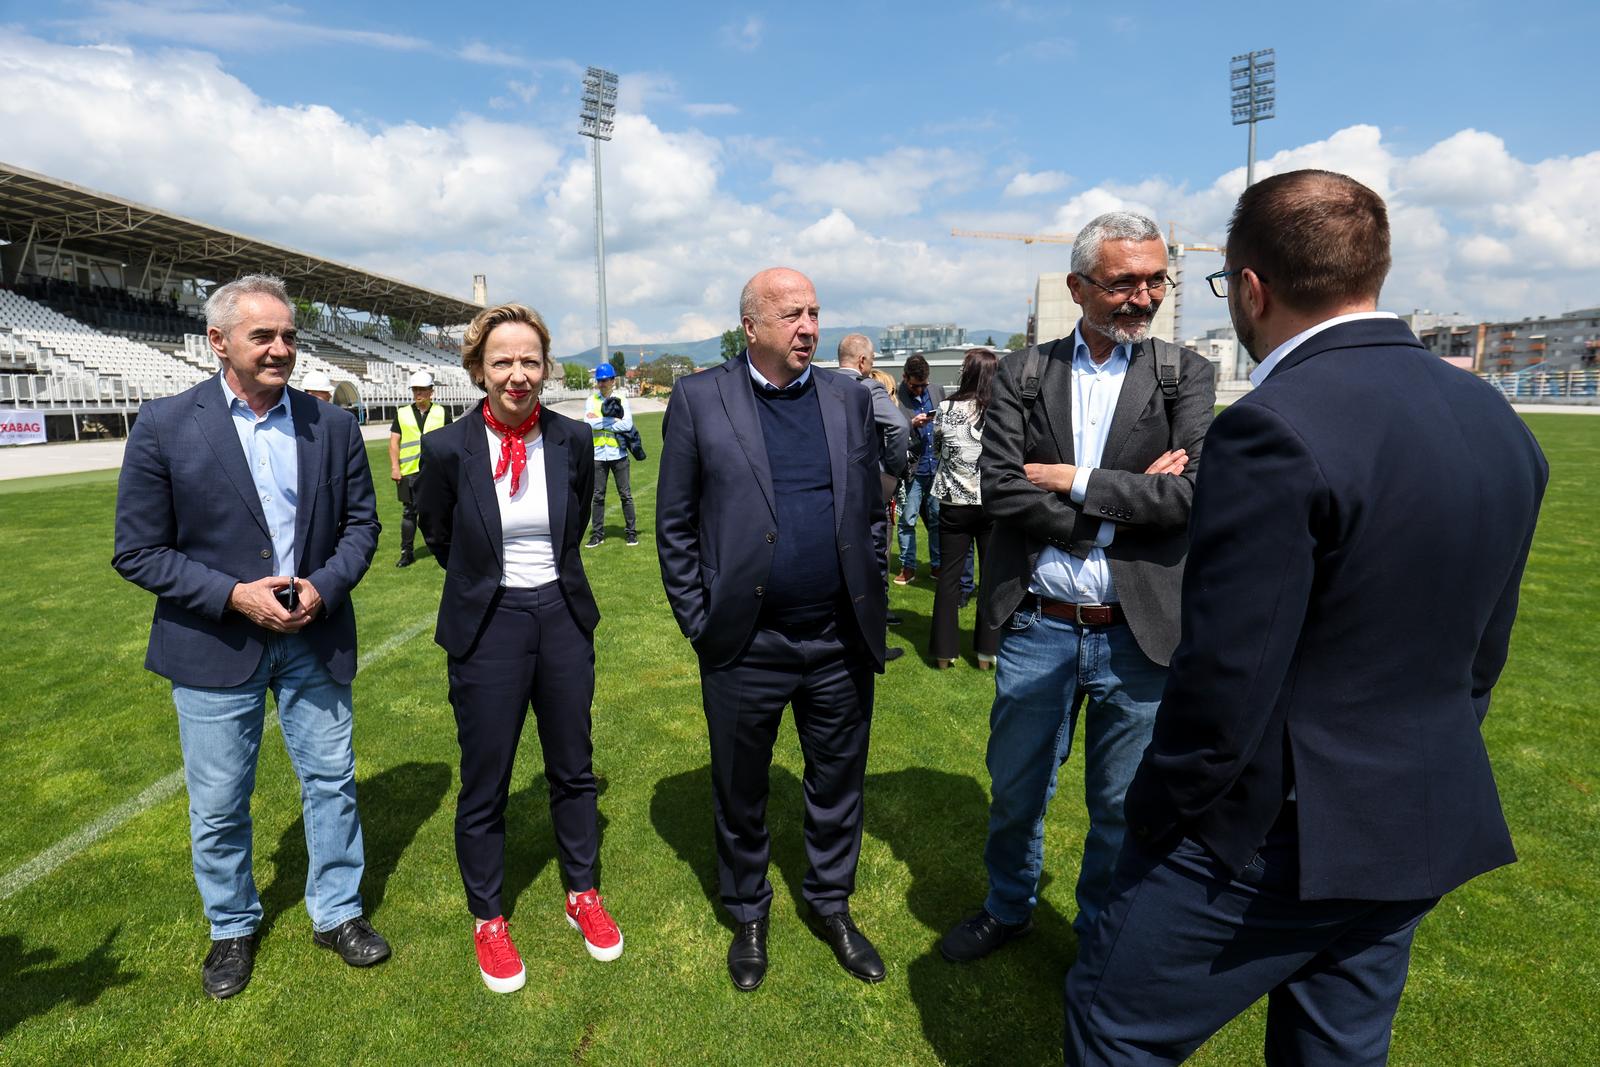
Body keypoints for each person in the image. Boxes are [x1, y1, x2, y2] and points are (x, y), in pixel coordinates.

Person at [1063, 170, 1549, 1065]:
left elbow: (1224, 679)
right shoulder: (1494, 415)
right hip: (1415, 814)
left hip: (1267, 837)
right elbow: (1483, 655)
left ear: (1250, 286)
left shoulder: (1275, 425)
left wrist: (1159, 819)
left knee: (1114, 1028)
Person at [940, 211, 1216, 963]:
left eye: (1157, 279)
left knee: (1124, 808)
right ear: (1078, 286)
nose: (1145, 295)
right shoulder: (1025, 374)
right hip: (1039, 623)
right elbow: (1000, 489)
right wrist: (1122, 506)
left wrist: (1075, 482)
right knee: (1017, 794)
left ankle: (1099, 935)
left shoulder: (1184, 372)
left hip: (1139, 630)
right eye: (1125, 281)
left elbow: (1188, 498)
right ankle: (1009, 906)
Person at [112, 273, 389, 1000]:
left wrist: (324, 586)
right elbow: (137, 549)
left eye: (289, 335)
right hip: (213, 642)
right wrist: (235, 596)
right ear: (218, 341)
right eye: (263, 335)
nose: (280, 348)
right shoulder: (165, 424)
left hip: (314, 634)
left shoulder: (330, 424)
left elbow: (363, 524)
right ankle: (232, 925)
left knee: (331, 781)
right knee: (220, 800)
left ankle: (338, 911)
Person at [656, 267, 888, 992]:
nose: (809, 327)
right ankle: (748, 910)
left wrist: (869, 580)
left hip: (837, 637)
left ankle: (830, 902)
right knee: (741, 786)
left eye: (815, 312)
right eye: (792, 314)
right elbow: (675, 526)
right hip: (744, 642)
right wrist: (703, 622)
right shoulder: (700, 397)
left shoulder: (847, 397)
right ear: (750, 327)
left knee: (837, 782)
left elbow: (872, 508)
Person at [414, 303, 621, 994]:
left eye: (530, 359)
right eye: (502, 360)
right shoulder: (448, 449)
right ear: (478, 368)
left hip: (560, 616)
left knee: (573, 766)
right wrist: (488, 588)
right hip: (488, 624)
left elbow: (575, 519)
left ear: (545, 365)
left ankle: (581, 892)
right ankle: (488, 916)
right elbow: (440, 533)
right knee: (486, 778)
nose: (517, 373)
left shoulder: (570, 438)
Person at [835, 332, 910, 662]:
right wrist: (890, 472)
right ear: (863, 362)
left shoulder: (818, 384)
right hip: (867, 489)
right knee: (875, 560)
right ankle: (873, 643)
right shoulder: (868, 388)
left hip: (829, 493)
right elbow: (899, 427)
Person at [928, 347, 1001, 670]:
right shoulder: (1001, 409)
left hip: (953, 502)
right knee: (991, 577)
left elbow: (938, 447)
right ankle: (987, 652)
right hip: (989, 502)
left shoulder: (946, 407)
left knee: (949, 579)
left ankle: (944, 652)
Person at [389, 369, 452, 567]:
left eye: (423, 390)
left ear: (431, 391)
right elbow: (394, 442)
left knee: (441, 510)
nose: (418, 394)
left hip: (435, 472)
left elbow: (450, 442)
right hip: (409, 471)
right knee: (409, 513)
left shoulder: (442, 413)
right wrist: (395, 468)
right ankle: (406, 552)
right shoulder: (402, 413)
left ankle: (445, 548)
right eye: (415, 390)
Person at [892, 354, 945, 585]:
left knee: (936, 520)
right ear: (905, 378)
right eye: (915, 385)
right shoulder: (895, 396)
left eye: (924, 385)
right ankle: (908, 566)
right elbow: (890, 431)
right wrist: (911, 424)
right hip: (912, 468)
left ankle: (937, 566)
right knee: (907, 520)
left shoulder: (937, 391)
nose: (920, 390)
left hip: (936, 467)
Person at [583, 362, 637, 548]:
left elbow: (627, 425)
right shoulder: (591, 400)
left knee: (625, 495)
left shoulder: (622, 399)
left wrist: (598, 421)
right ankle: (597, 535)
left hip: (618, 453)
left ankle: (631, 533)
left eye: (605, 380)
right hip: (598, 455)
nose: (602, 384)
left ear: (613, 380)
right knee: (597, 496)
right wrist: (611, 420)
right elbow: (587, 425)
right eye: (599, 380)